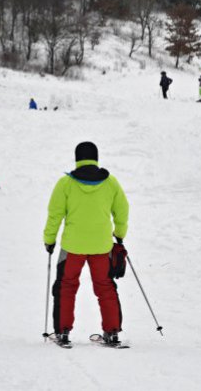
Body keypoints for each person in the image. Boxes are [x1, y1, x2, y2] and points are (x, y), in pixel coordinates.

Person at [44, 141, 129, 348]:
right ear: (96, 158)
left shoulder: (65, 184)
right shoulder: (111, 183)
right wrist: (119, 234)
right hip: (102, 246)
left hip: (72, 246)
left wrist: (49, 240)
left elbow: (55, 215)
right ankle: (111, 332)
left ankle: (63, 332)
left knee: (66, 286)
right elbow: (122, 210)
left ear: (77, 159)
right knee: (105, 287)